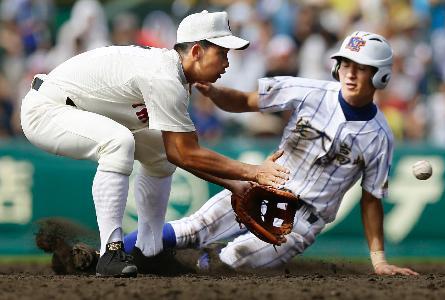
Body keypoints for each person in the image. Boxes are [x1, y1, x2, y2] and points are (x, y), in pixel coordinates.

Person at [123, 31, 419, 276]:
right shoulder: (308, 90)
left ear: (380, 76)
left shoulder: (379, 136)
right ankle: (110, 254)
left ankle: (183, 265)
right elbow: (247, 100)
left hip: (301, 221)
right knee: (191, 228)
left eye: (362, 68)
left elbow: (371, 199)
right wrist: (216, 94)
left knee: (231, 261)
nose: (351, 74)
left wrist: (378, 259)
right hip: (263, 186)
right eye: (345, 64)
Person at [21, 10, 290, 278]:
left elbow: (178, 153)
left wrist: (236, 185)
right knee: (118, 142)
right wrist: (252, 172)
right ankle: (110, 251)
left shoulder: (175, 79)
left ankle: (149, 250)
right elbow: (185, 153)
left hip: (75, 109)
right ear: (196, 51)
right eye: (222, 53)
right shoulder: (164, 78)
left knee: (160, 155)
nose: (227, 63)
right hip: (47, 110)